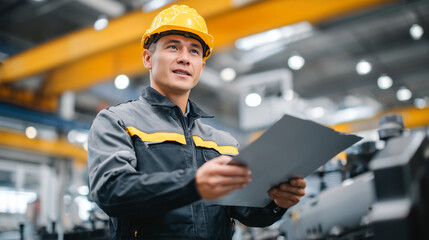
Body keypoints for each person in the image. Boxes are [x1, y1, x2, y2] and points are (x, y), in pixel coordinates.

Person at [88, 4, 306, 239]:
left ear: (201, 66)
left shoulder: (222, 141)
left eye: (194, 51)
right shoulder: (117, 121)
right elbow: (111, 192)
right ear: (148, 58)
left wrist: (276, 202)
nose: (184, 58)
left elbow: (244, 210)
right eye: (173, 47)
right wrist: (193, 184)